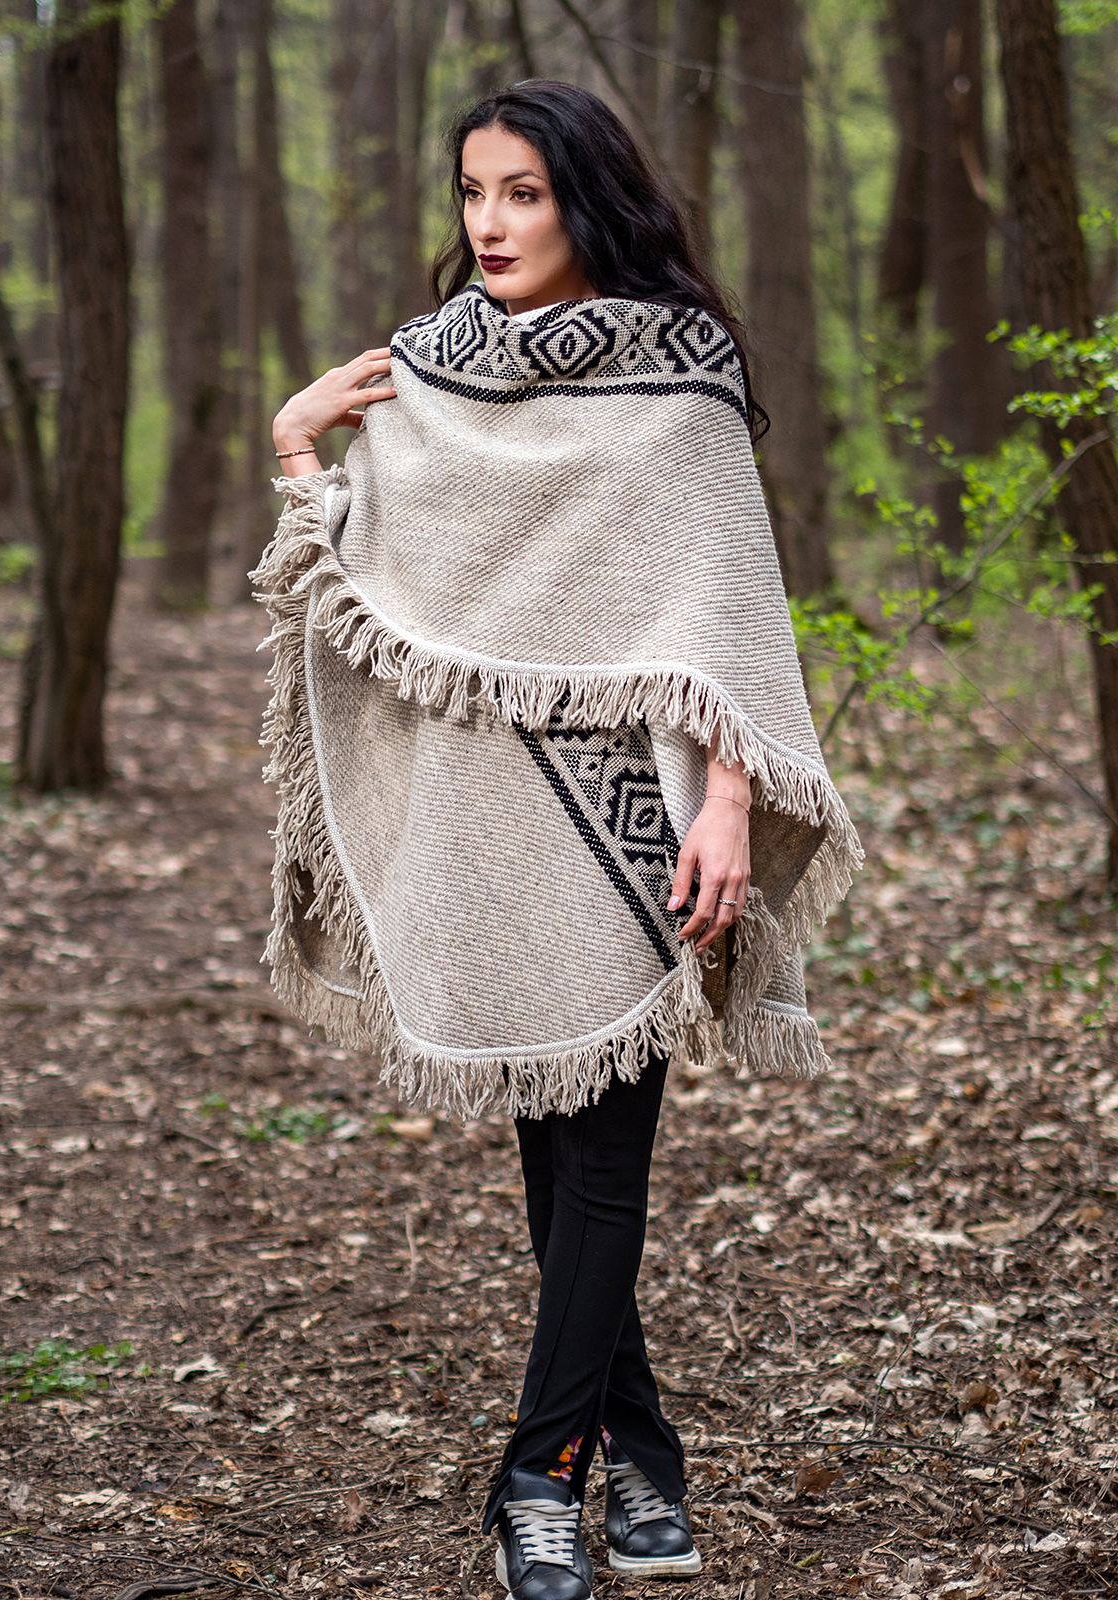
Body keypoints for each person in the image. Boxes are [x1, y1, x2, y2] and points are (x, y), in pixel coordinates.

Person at [265, 80, 855, 1600]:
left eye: (523, 192)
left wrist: (730, 800)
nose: (490, 222)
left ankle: (536, 1483)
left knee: (602, 1162)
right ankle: (644, 1461)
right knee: (556, 1152)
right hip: (490, 808)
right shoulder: (430, 375)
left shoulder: (682, 371)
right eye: (473, 192)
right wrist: (297, 445)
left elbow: (726, 613)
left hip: (640, 810)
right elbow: (367, 582)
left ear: (586, 198)